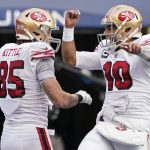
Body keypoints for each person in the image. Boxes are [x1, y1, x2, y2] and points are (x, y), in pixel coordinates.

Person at [0, 8, 93, 150]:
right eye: (47, 31)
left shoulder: (5, 51)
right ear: (36, 31)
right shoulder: (39, 51)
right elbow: (61, 100)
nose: (49, 35)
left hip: (7, 135)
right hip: (32, 134)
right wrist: (79, 97)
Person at [61, 4, 150, 150]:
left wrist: (140, 51)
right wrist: (68, 29)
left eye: (110, 27)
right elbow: (71, 59)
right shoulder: (106, 49)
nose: (105, 32)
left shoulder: (144, 42)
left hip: (136, 127)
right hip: (107, 124)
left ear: (127, 29)